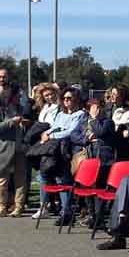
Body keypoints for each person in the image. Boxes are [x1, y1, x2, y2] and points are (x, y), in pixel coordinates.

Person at [38, 87, 86, 226]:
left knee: (63, 180)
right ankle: (46, 206)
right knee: (44, 175)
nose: (66, 101)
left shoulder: (80, 114)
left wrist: (51, 135)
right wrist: (46, 133)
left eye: (69, 98)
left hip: (68, 151)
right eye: (64, 98)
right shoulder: (60, 114)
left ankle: (67, 212)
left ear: (76, 99)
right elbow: (54, 127)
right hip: (54, 150)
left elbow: (71, 132)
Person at [0, 84, 30, 218]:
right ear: (9, 97)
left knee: (20, 179)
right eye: (17, 96)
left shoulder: (22, 109)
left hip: (20, 149)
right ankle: (2, 207)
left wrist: (26, 123)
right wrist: (12, 121)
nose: (20, 98)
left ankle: (18, 207)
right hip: (3, 149)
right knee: (2, 180)